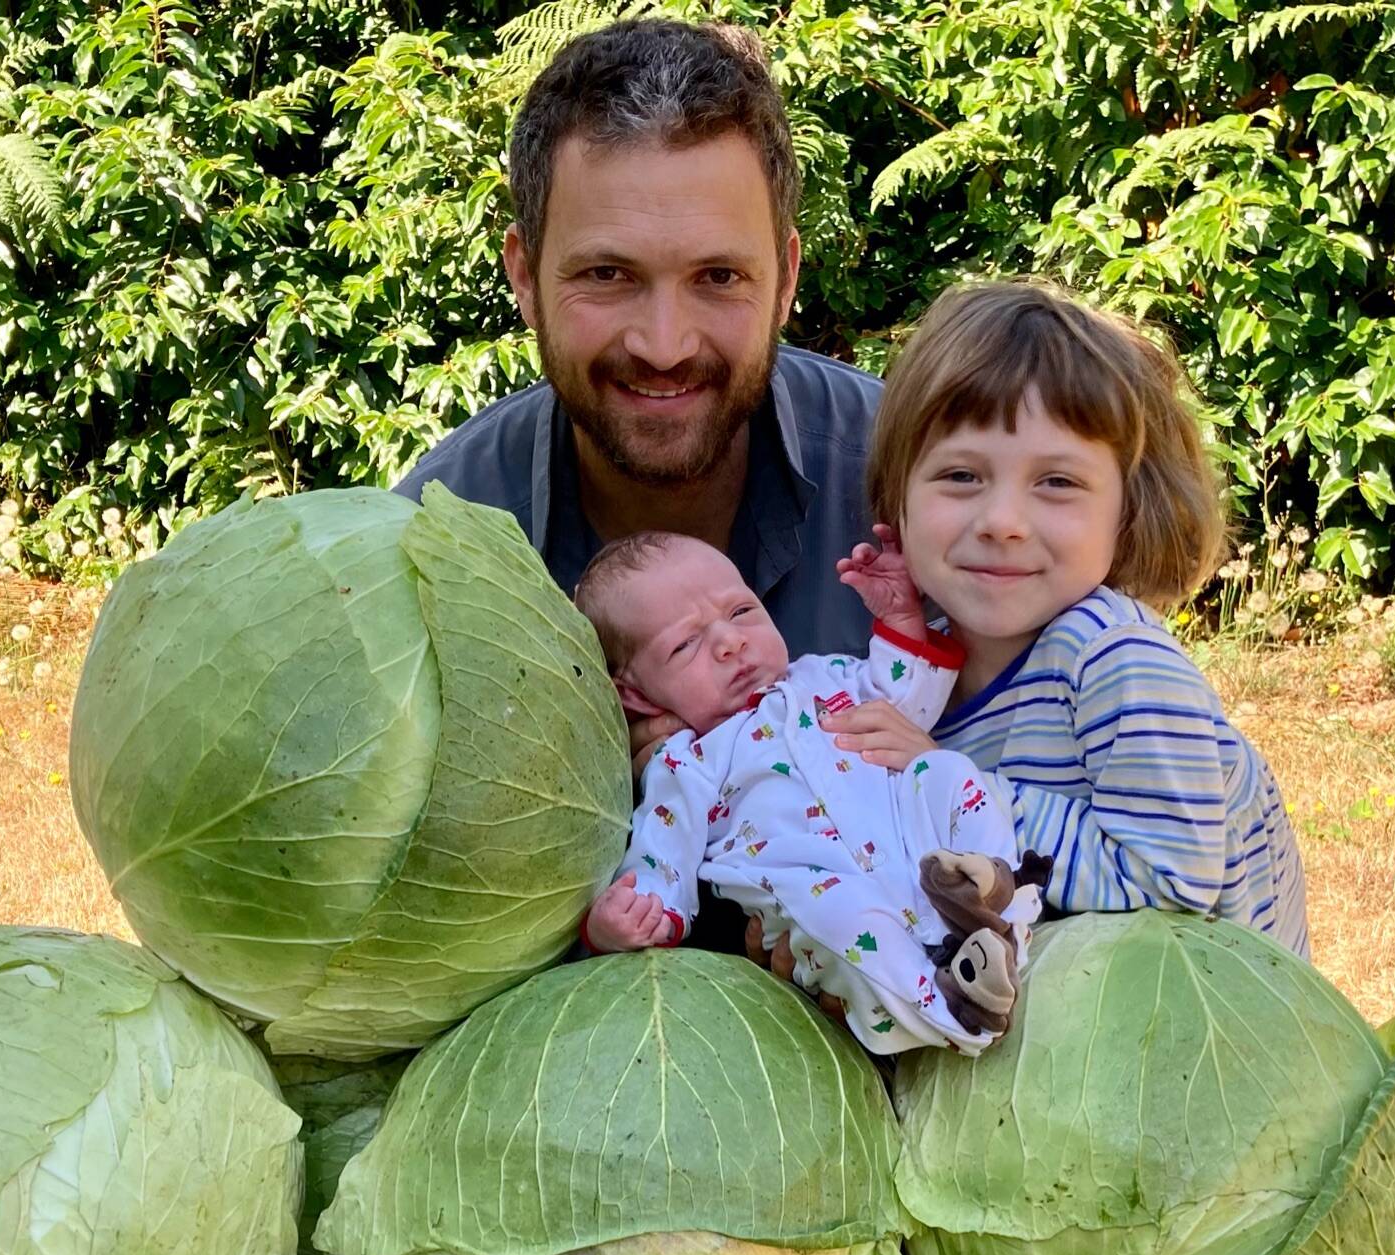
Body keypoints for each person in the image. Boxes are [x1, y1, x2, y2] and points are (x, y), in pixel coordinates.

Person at [825, 280, 1311, 958]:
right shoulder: (929, 667)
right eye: (961, 476)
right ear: (897, 494)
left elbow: (1171, 893)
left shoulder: (1118, 660)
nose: (1002, 522)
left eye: (1056, 482)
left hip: (1207, 1011)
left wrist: (950, 782)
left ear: (1130, 510)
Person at [393, 18, 882, 691]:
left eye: (718, 276)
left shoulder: (914, 481)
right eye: (607, 274)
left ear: (785, 280)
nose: (664, 345)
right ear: (525, 277)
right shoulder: (423, 559)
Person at [575, 529, 1046, 1053]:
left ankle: (1001, 909)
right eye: (685, 644)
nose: (730, 642)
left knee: (946, 772)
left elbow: (908, 702)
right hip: (827, 892)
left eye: (741, 611)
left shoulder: (824, 675)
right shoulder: (685, 762)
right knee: (834, 920)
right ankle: (959, 1014)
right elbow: (662, 856)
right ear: (635, 696)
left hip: (922, 858)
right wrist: (621, 921)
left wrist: (901, 618)